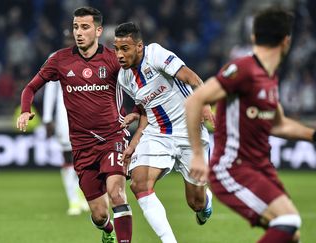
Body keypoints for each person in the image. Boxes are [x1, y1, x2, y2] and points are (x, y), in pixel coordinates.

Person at [186, 7, 316, 243]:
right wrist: (197, 155)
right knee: (288, 221)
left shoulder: (269, 77)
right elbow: (195, 99)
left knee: (291, 234)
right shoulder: (244, 69)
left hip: (260, 169)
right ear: (287, 41)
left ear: (254, 36)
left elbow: (279, 125)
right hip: (234, 168)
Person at [17, 7, 133, 243]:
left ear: (98, 31)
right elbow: (31, 87)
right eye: (76, 27)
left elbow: (139, 88)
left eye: (85, 27)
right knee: (99, 214)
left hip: (113, 138)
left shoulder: (114, 59)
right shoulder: (60, 60)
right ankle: (107, 230)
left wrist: (140, 113)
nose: (79, 32)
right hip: (81, 146)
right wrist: (26, 110)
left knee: (117, 194)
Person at [113, 22, 215, 243]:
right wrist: (134, 139)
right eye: (116, 49)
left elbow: (190, 76)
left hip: (190, 133)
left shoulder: (156, 54)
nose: (119, 55)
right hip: (158, 133)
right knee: (139, 183)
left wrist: (204, 101)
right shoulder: (124, 78)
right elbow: (146, 109)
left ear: (139, 47)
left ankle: (205, 201)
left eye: (125, 49)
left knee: (195, 203)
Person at [42, 29, 89, 216]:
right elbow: (50, 90)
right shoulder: (56, 58)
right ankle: (73, 200)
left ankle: (85, 195)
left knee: (87, 160)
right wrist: (47, 118)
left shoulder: (91, 56)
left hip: (88, 116)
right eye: (69, 37)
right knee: (68, 158)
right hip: (64, 116)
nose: (72, 40)